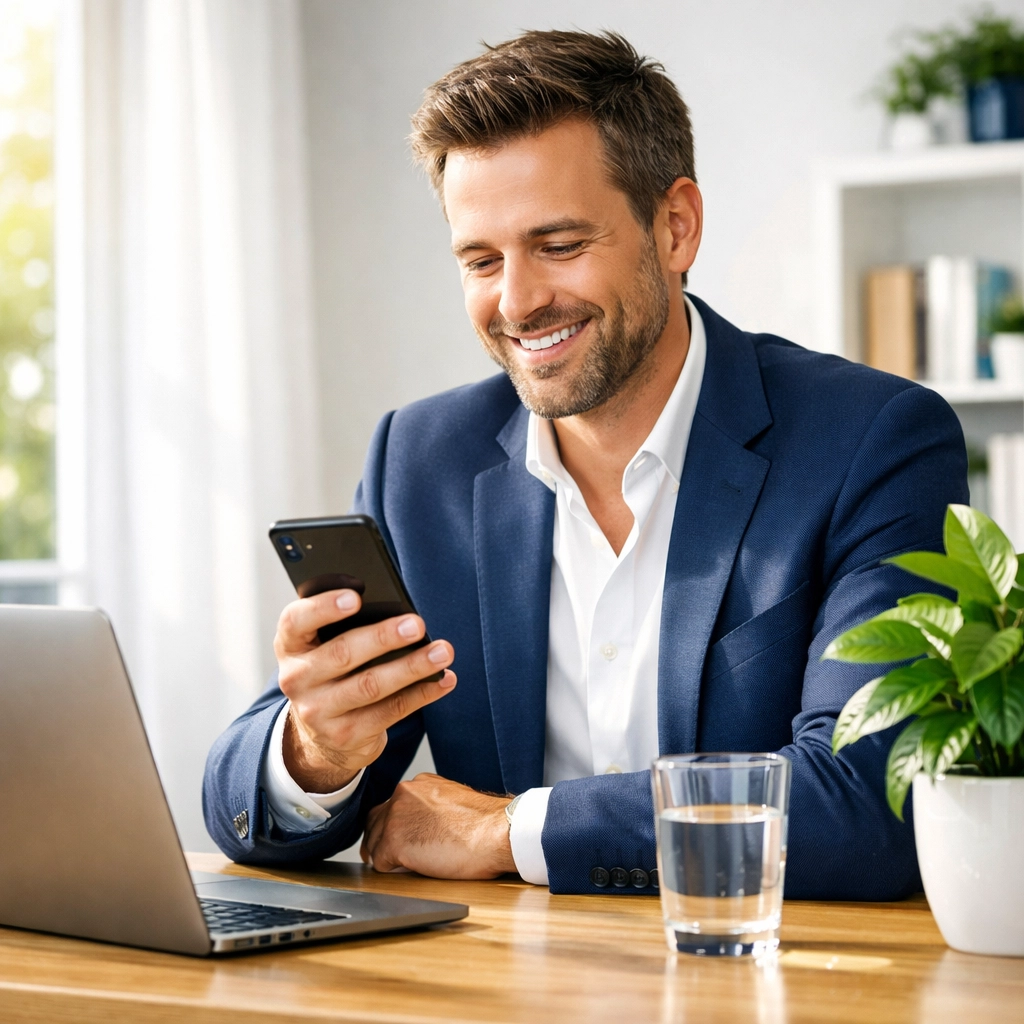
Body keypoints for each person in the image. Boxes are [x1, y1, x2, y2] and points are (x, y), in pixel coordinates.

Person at [203, 30, 967, 899]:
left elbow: (876, 799)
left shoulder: (875, 440)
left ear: (675, 227)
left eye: (559, 245)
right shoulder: (420, 462)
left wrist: (508, 829)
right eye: (481, 260)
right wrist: (317, 746)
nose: (518, 302)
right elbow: (240, 805)